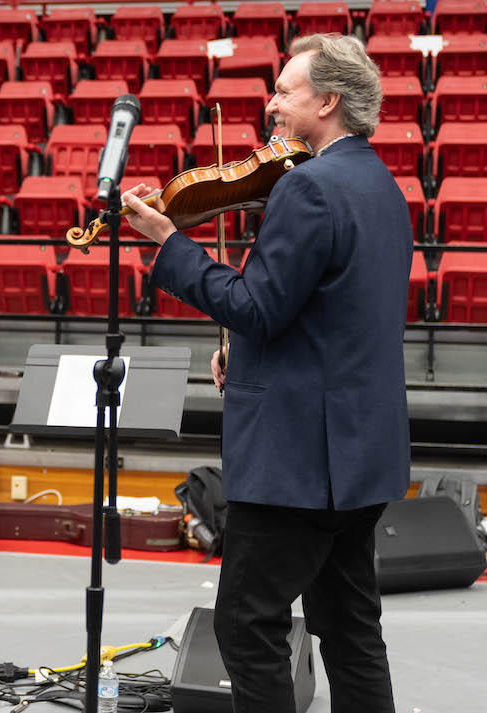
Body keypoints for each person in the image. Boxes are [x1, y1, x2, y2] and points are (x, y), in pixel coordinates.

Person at [122, 34, 411, 713]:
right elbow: (331, 317)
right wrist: (249, 350)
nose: (272, 103)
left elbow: (257, 307)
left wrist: (169, 243)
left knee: (248, 626)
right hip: (359, 453)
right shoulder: (381, 184)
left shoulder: (307, 187)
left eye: (285, 90)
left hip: (297, 462)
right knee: (349, 629)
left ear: (329, 100)